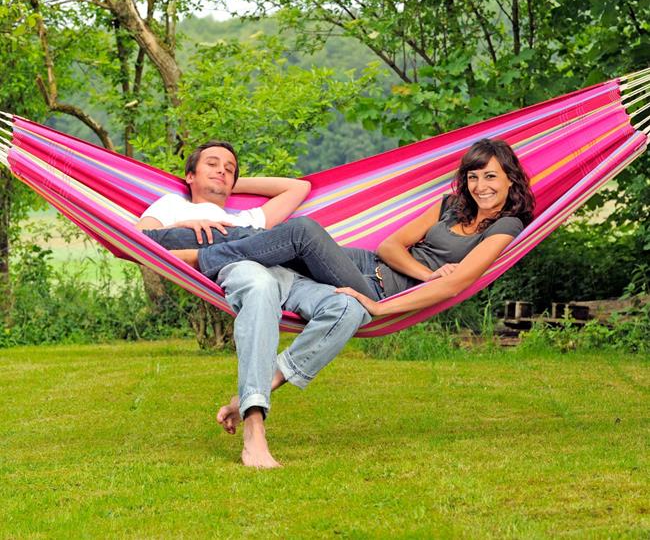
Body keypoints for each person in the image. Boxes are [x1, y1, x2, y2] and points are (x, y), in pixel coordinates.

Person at [137, 141, 371, 469]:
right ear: (189, 175)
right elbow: (139, 239)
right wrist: (180, 226)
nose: (222, 170)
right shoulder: (173, 205)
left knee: (350, 307)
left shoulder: (247, 218)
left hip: (288, 274)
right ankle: (254, 424)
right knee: (261, 286)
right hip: (244, 270)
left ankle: (257, 388)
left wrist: (231, 183)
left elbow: (299, 187)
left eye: (229, 168)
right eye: (212, 164)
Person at [165, 138, 535, 316]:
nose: (480, 186)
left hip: (376, 289)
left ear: (510, 179)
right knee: (264, 238)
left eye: (490, 176)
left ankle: (198, 258)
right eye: (473, 177)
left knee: (300, 231)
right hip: (367, 261)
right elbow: (390, 246)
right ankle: (152, 241)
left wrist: (380, 310)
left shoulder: (507, 224)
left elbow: (454, 284)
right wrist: (426, 274)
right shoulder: (450, 206)